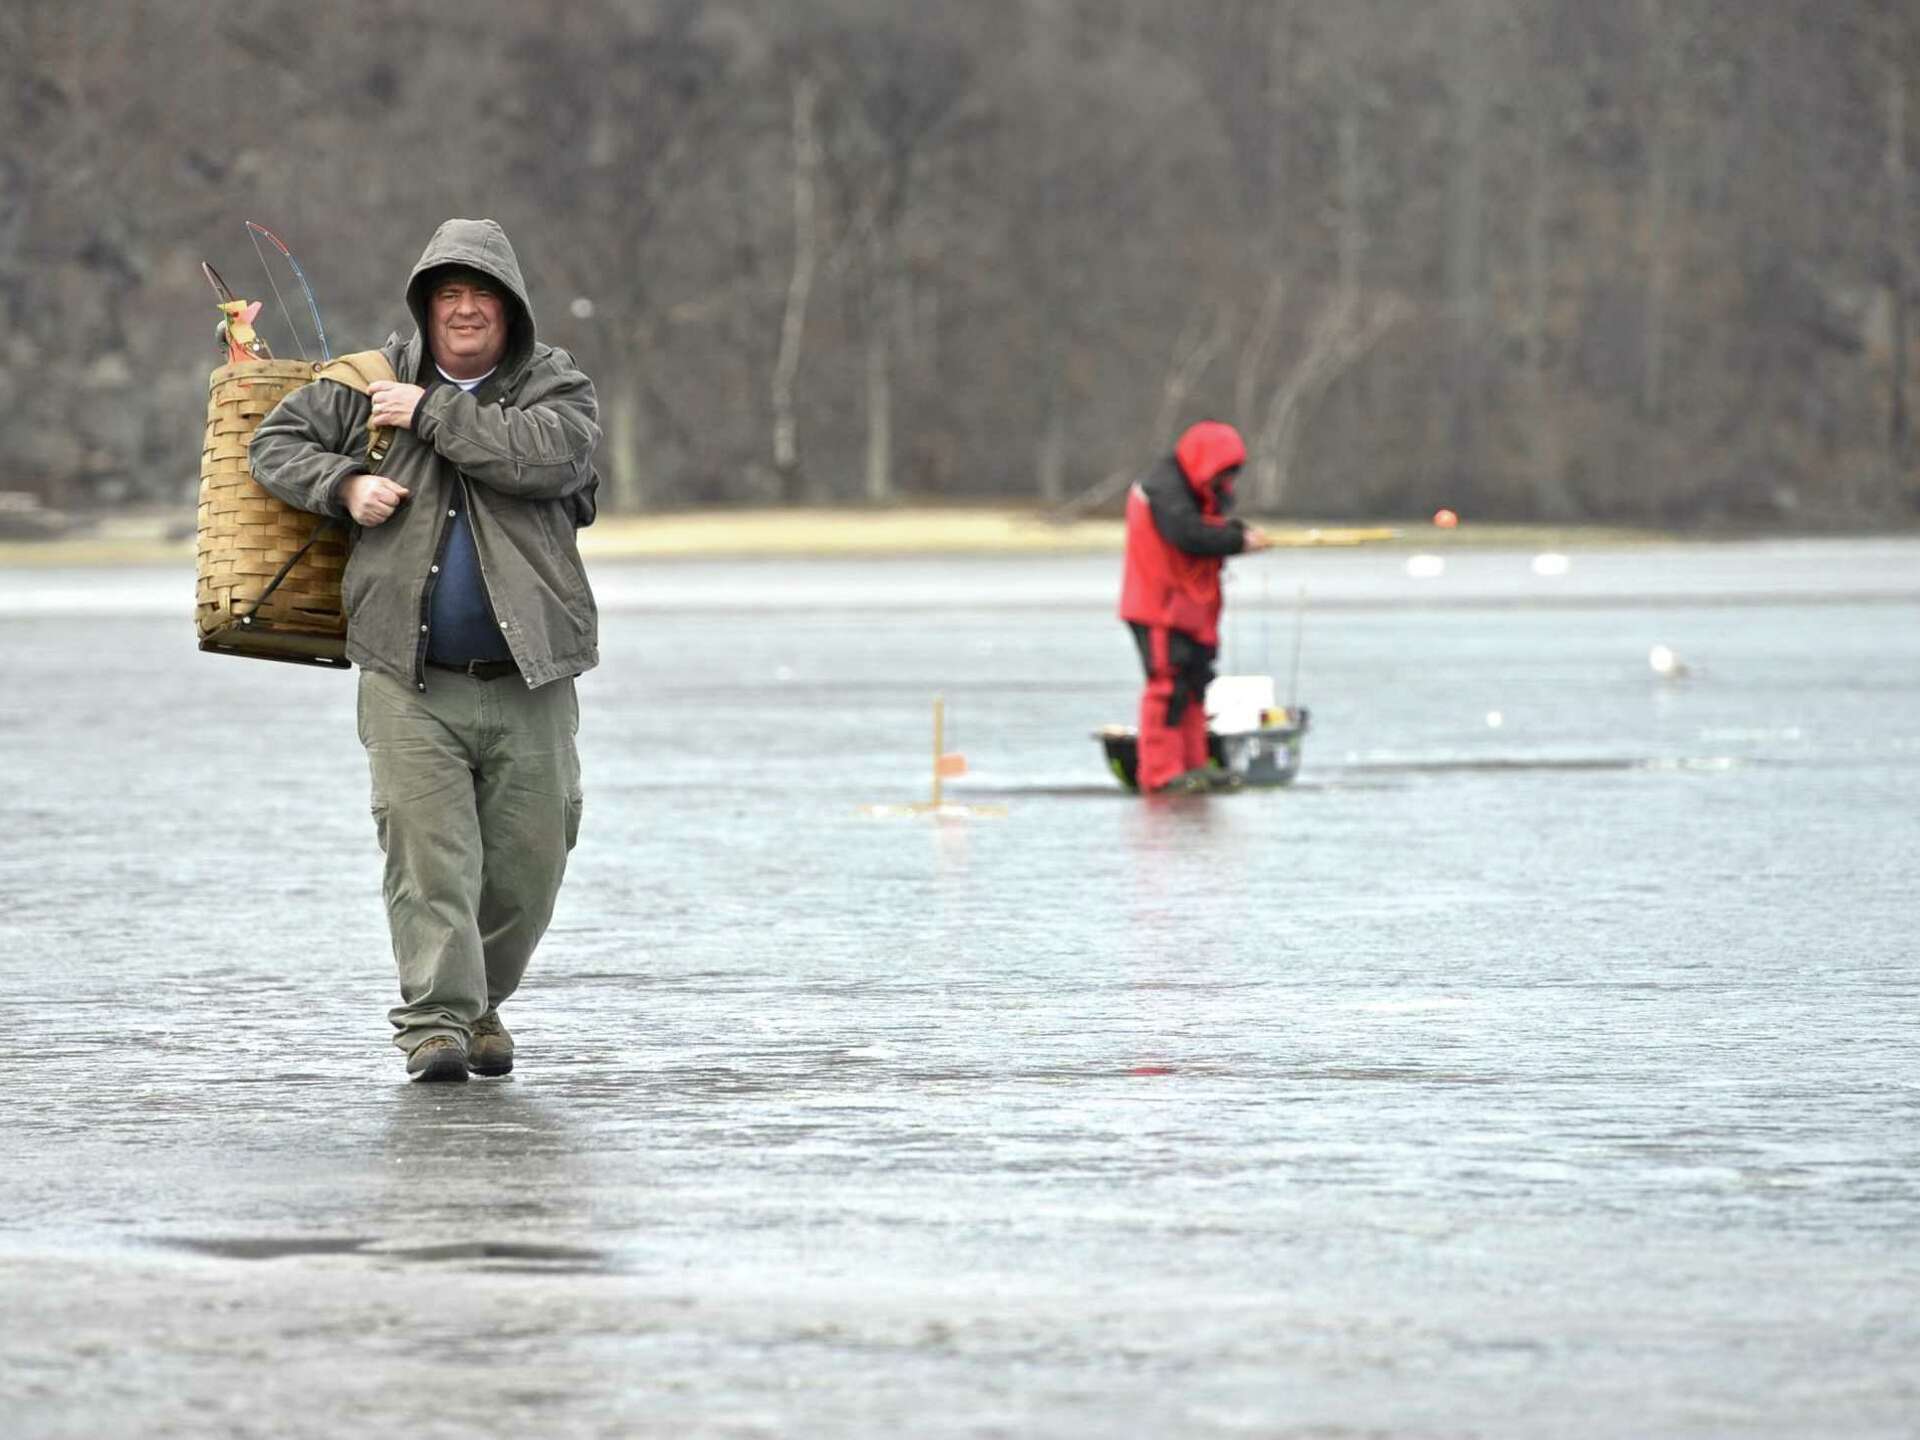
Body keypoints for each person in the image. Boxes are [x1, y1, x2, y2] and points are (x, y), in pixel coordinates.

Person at [251, 218, 601, 1082]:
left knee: (530, 867)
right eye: (450, 293)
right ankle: (435, 1027)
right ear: (426, 304)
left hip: (532, 677)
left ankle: (479, 1004)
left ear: (510, 307)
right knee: (428, 857)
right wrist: (344, 482)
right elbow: (273, 444)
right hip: (407, 679)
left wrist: (434, 414)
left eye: (482, 293)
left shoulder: (555, 386)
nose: (467, 308)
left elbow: (551, 461)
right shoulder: (369, 381)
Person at [1117, 420, 1271, 794]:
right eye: (1222, 475)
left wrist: (1235, 533)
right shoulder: (1163, 489)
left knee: (1195, 686)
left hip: (1189, 608)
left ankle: (1194, 764)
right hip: (1159, 608)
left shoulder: (1192, 488)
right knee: (1166, 688)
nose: (1225, 485)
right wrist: (1237, 540)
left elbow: (1206, 524)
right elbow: (1188, 534)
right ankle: (1160, 772)